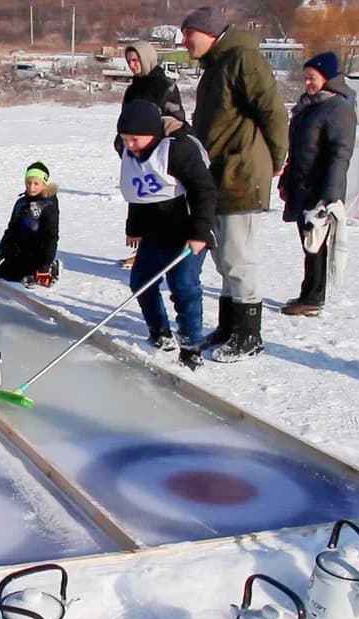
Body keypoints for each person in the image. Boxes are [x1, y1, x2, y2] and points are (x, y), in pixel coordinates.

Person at [182, 6, 288, 363]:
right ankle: (228, 327)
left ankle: (249, 335)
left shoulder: (242, 59)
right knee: (223, 257)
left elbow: (272, 111)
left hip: (241, 173)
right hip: (218, 174)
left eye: (189, 34)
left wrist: (275, 160)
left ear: (209, 32)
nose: (184, 42)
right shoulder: (216, 66)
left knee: (238, 257)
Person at [117, 100, 215, 370]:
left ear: (152, 132)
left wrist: (199, 233)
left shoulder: (178, 151)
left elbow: (204, 190)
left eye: (135, 139)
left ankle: (192, 344)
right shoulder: (129, 152)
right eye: (125, 139)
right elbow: (138, 193)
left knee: (183, 285)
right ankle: (159, 331)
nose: (130, 145)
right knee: (141, 281)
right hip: (154, 230)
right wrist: (134, 227)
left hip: (187, 230)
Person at [277, 52, 356, 318]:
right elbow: (299, 150)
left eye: (312, 78)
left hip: (320, 189)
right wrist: (287, 179)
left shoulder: (338, 108)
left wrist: (329, 197)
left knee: (316, 244)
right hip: (303, 184)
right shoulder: (311, 105)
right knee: (308, 243)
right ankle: (308, 292)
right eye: (306, 78)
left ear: (328, 78)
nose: (307, 83)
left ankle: (313, 299)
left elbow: (340, 154)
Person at [116, 40, 188, 270]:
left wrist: (163, 143)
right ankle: (143, 250)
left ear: (147, 59)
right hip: (133, 150)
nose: (132, 65)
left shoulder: (164, 85)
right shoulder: (133, 88)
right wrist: (122, 142)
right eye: (129, 61)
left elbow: (178, 120)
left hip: (160, 153)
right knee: (140, 197)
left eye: (136, 60)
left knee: (161, 200)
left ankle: (164, 250)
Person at [0, 161, 63, 289]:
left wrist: (44, 266)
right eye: (28, 183)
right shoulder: (21, 203)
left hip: (39, 251)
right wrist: (0, 253)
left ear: (44, 184)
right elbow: (11, 230)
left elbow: (51, 236)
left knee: (30, 278)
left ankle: (51, 266)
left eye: (36, 183)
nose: (31, 187)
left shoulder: (49, 204)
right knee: (1, 274)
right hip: (21, 250)